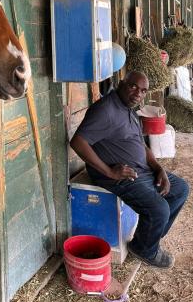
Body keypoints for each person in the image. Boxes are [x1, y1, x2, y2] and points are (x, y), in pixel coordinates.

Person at [70, 71, 190, 269]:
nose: (138, 94)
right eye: (133, 87)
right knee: (160, 209)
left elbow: (141, 146)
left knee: (180, 189)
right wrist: (109, 172)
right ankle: (144, 249)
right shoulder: (106, 110)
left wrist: (159, 168)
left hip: (142, 169)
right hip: (118, 175)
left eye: (143, 91)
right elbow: (78, 142)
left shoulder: (130, 110)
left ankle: (149, 238)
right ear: (122, 83)